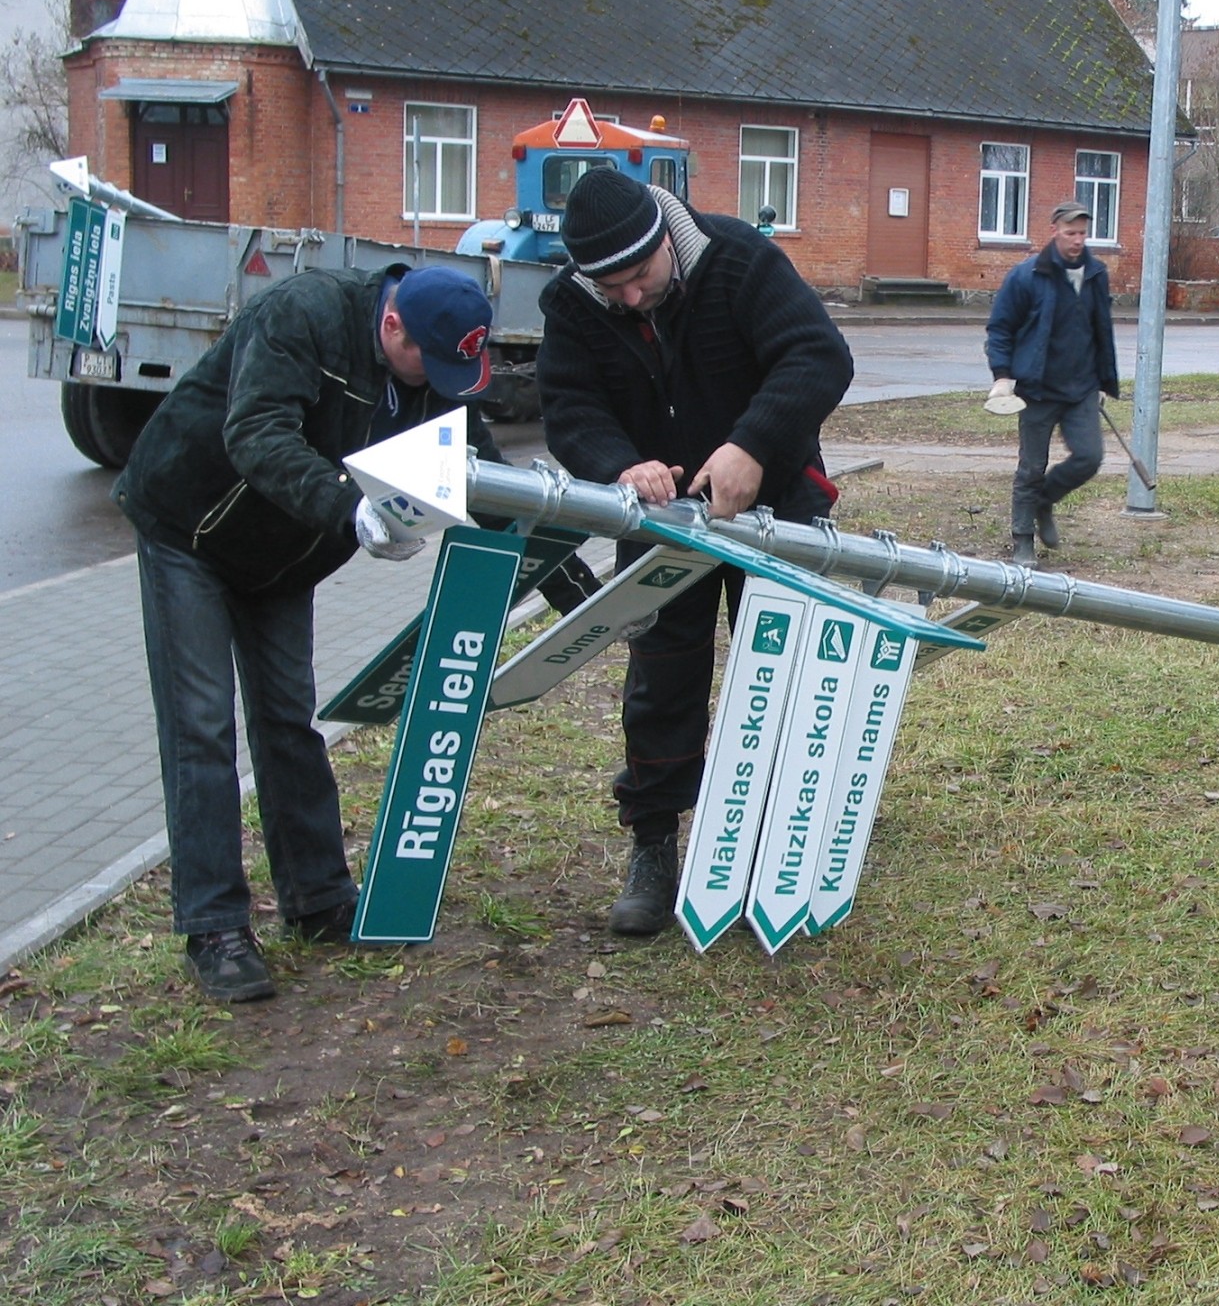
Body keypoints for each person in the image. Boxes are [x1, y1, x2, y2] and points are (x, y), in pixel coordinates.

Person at [114, 265, 498, 1003]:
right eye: (434, 362)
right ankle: (215, 927)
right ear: (392, 327)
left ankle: (318, 899)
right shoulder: (304, 316)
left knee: (290, 719)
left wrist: (563, 571)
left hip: (282, 555)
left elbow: (478, 464)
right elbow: (254, 431)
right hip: (188, 529)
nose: (443, 384)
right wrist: (349, 509)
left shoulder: (430, 367)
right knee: (201, 728)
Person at [538, 168, 854, 936]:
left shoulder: (740, 261)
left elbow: (818, 357)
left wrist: (751, 444)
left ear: (663, 242)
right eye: (611, 288)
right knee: (661, 682)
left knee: (779, 673)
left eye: (640, 278)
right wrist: (619, 462)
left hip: (776, 504)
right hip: (661, 524)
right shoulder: (572, 306)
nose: (631, 299)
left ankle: (769, 851)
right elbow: (570, 407)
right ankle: (654, 843)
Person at [984, 199, 1119, 567]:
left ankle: (1044, 500)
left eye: (1082, 233)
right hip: (1037, 389)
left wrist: (1105, 379)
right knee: (1031, 467)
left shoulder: (1095, 274)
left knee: (1090, 457)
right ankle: (1022, 539)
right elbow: (1000, 328)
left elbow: (1100, 330)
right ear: (1055, 231)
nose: (1077, 240)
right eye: (1070, 232)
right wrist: (1002, 375)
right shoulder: (1027, 275)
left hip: (1081, 389)